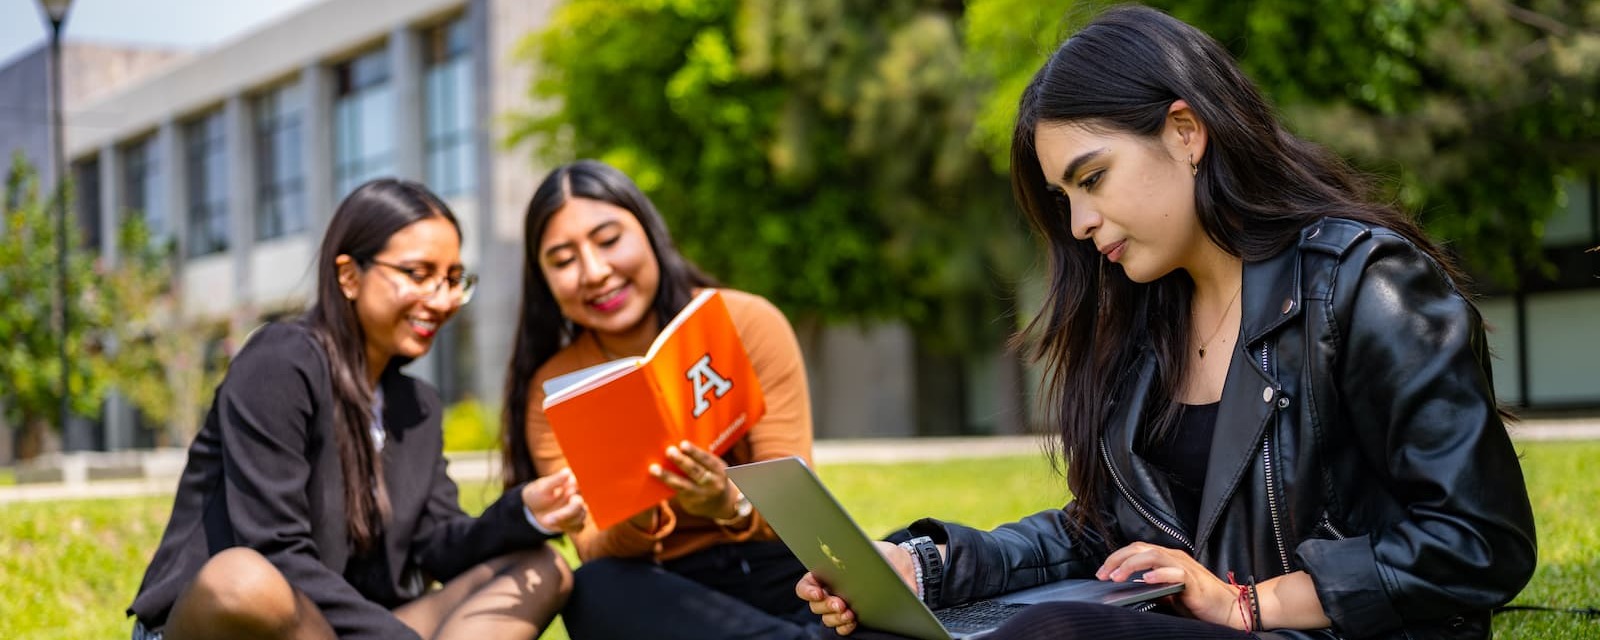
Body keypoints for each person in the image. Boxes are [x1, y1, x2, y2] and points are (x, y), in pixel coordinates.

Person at [797, 6, 1537, 640]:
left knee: (1055, 633)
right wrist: (929, 568)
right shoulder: (1149, 319)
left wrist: (1250, 602)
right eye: (1064, 199)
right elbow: (1106, 536)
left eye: (1092, 179)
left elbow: (1479, 541)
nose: (1081, 224)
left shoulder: (1364, 286)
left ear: (1186, 131)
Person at [128, 179, 587, 640]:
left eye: (453, 279)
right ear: (348, 275)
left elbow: (438, 546)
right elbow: (275, 550)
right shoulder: (281, 361)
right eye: (418, 274)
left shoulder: (417, 407)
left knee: (542, 567)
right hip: (235, 623)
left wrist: (524, 513)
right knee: (243, 578)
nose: (443, 299)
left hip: (340, 629)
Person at [501, 159, 823, 639]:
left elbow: (798, 507)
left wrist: (726, 501)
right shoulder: (557, 388)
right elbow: (593, 545)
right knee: (593, 590)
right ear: (543, 278)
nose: (594, 272)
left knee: (913, 551)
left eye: (609, 241)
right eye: (563, 260)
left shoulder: (745, 321)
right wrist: (636, 505)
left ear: (650, 233)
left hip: (782, 569)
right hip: (667, 589)